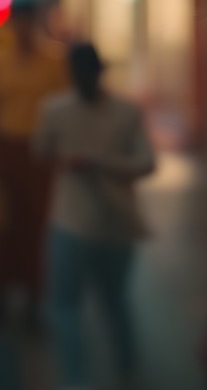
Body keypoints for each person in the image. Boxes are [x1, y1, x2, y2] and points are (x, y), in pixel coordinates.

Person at [36, 43, 156, 390]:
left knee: (75, 307)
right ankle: (118, 371)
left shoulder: (121, 112)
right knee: (105, 305)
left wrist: (95, 162)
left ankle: (98, 375)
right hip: (83, 222)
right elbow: (42, 152)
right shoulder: (58, 110)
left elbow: (147, 163)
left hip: (90, 224)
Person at [0, 0, 67, 329]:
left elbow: (62, 111)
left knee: (36, 229)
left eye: (28, 22)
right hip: (6, 151)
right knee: (1, 225)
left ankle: (34, 300)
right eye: (18, 22)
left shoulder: (53, 62)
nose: (23, 29)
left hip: (40, 155)